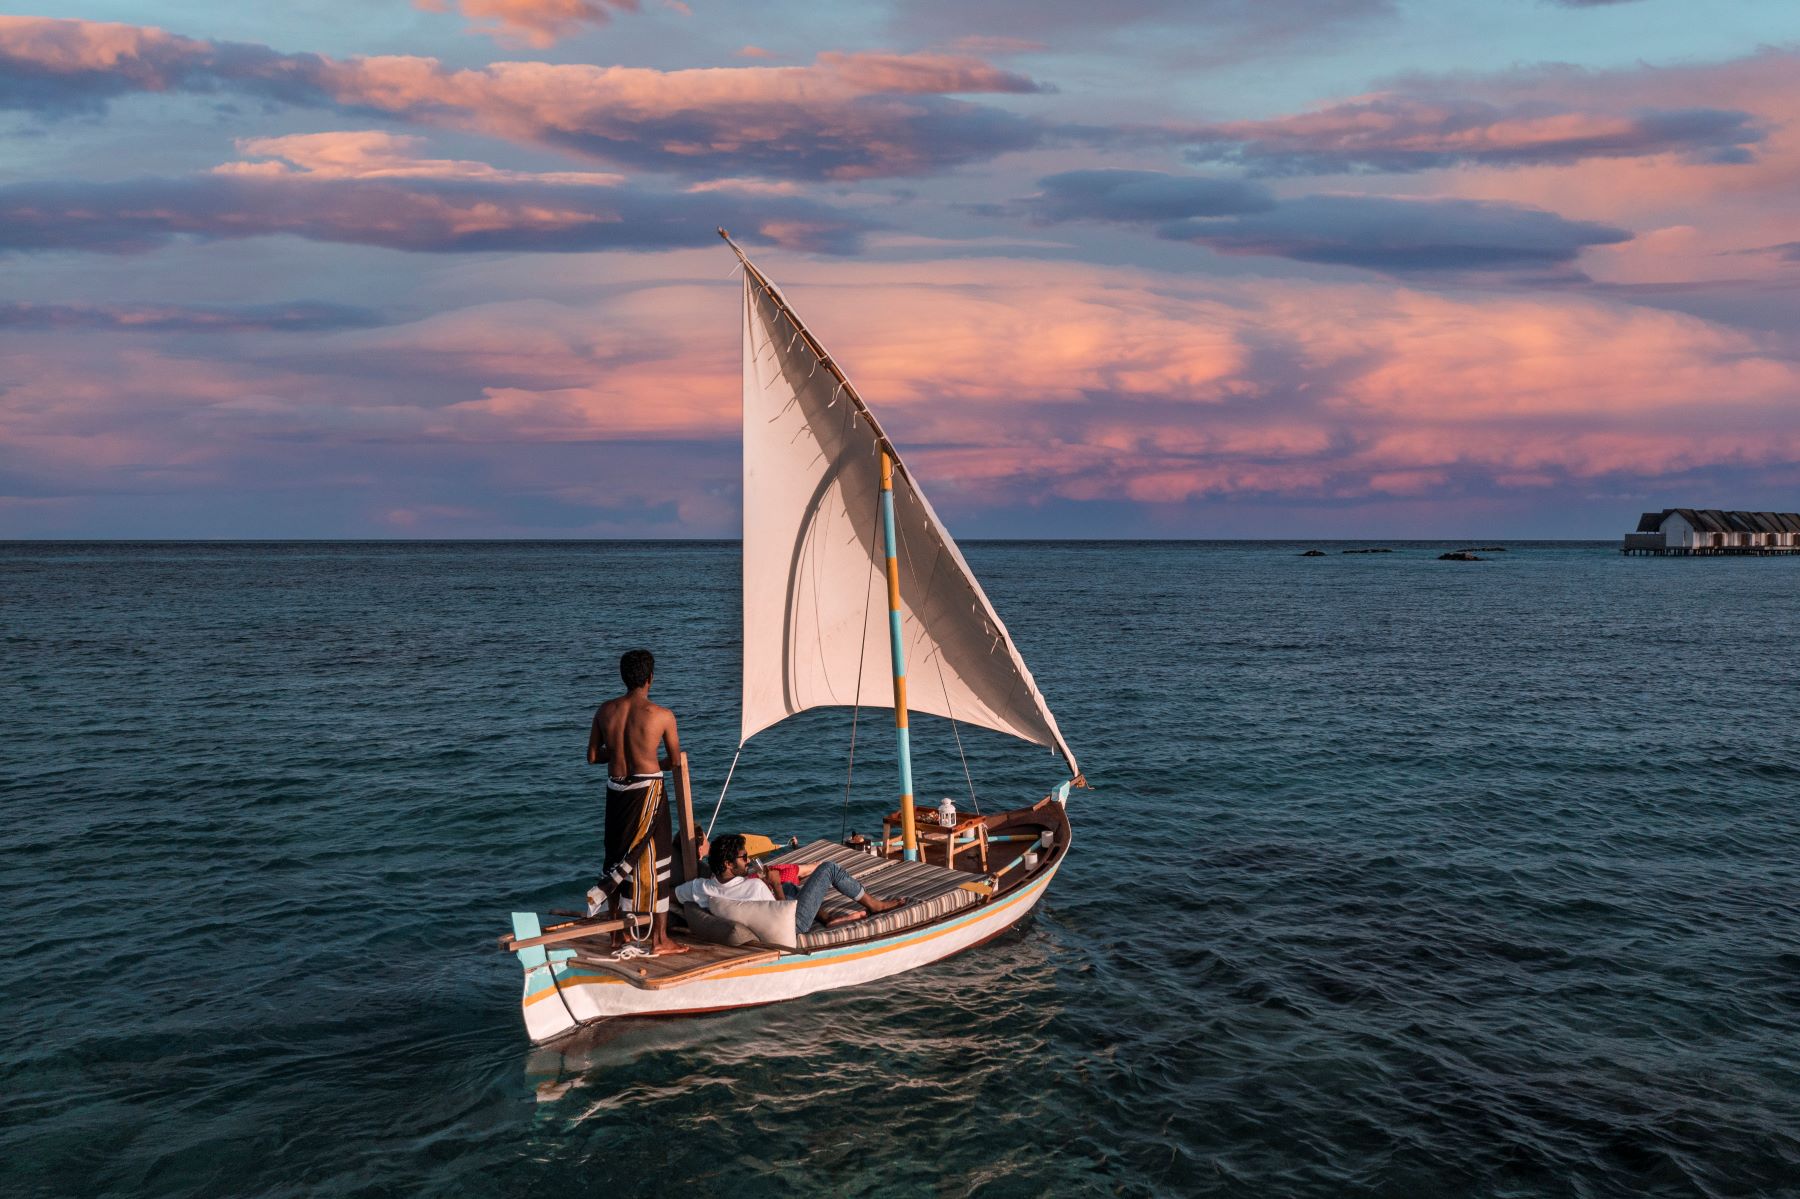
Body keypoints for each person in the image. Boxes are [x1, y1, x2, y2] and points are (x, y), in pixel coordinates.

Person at [588, 648, 687, 956]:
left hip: (616, 791)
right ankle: (659, 940)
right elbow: (673, 761)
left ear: (623, 677)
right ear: (650, 678)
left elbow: (593, 756)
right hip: (648, 792)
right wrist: (648, 760)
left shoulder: (605, 711)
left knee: (616, 859)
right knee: (658, 861)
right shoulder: (662, 715)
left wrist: (618, 755)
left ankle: (618, 937)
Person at [678, 833, 907, 937]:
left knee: (790, 887)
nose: (748, 860)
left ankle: (827, 919)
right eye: (743, 857)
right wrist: (774, 886)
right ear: (728, 863)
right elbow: (783, 920)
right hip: (794, 925)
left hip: (754, 914)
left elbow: (672, 893)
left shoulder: (701, 887)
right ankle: (875, 905)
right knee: (828, 868)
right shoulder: (753, 888)